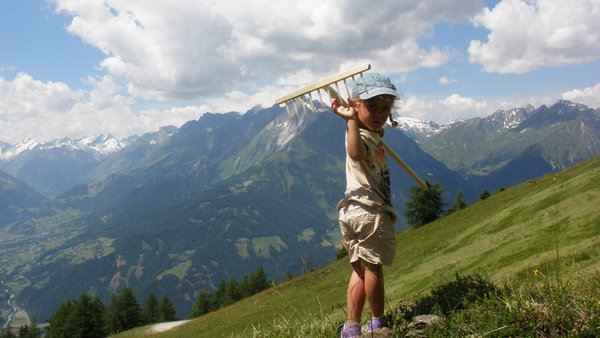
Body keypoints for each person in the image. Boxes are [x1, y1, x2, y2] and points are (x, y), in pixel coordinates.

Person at [332, 72, 399, 338]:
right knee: (373, 268)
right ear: (355, 104)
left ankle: (350, 327)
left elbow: (367, 140)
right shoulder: (355, 135)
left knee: (359, 269)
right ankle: (378, 322)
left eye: (385, 108)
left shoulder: (369, 133)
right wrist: (350, 122)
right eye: (371, 106)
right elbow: (356, 153)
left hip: (351, 210)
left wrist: (373, 128)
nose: (379, 113)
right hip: (370, 212)